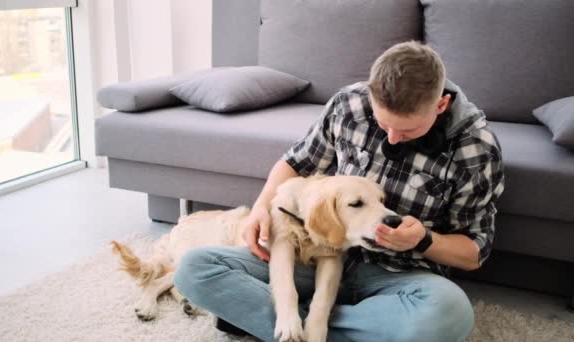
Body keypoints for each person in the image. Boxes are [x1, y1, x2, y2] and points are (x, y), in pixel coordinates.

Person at [174, 41, 505, 342]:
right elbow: (296, 163)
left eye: (407, 130)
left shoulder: (475, 150)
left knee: (449, 317)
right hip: (318, 253)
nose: (391, 138)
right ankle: (325, 324)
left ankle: (285, 322)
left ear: (441, 105)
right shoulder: (349, 104)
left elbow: (474, 252)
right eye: (383, 123)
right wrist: (262, 207)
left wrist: (423, 240)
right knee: (194, 268)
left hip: (396, 277)